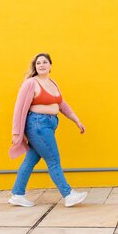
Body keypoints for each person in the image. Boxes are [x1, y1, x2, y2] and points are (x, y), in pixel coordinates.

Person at [8, 53, 87, 207]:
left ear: (50, 65)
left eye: (45, 62)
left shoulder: (52, 82)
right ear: (35, 67)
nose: (42, 65)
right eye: (38, 63)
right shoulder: (31, 83)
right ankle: (68, 194)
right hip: (38, 125)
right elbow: (18, 108)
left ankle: (17, 194)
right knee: (53, 160)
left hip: (48, 125)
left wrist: (77, 121)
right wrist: (16, 133)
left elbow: (62, 105)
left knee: (31, 159)